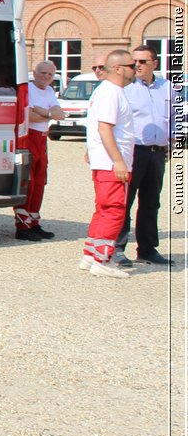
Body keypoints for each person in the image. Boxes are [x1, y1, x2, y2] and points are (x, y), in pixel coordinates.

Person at [80, 48, 137, 279]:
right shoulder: (112, 92)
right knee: (114, 210)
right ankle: (103, 259)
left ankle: (91, 255)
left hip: (104, 162)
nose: (135, 69)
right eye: (132, 65)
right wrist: (118, 161)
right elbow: (105, 128)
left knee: (103, 210)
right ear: (119, 68)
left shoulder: (107, 91)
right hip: (111, 164)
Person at [117, 45, 173, 266]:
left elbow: (174, 118)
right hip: (134, 152)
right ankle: (118, 248)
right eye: (135, 62)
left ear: (154, 64)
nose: (137, 65)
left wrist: (173, 141)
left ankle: (148, 249)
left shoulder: (167, 88)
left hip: (157, 153)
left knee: (151, 202)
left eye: (142, 61)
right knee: (125, 200)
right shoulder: (126, 89)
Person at [15, 61, 64, 241]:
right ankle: (22, 225)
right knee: (29, 181)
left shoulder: (50, 92)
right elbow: (27, 115)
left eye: (50, 75)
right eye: (42, 73)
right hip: (29, 137)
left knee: (40, 182)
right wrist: (49, 113)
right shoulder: (27, 89)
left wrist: (46, 112)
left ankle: (34, 222)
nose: (46, 77)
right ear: (34, 73)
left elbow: (59, 114)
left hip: (43, 138)